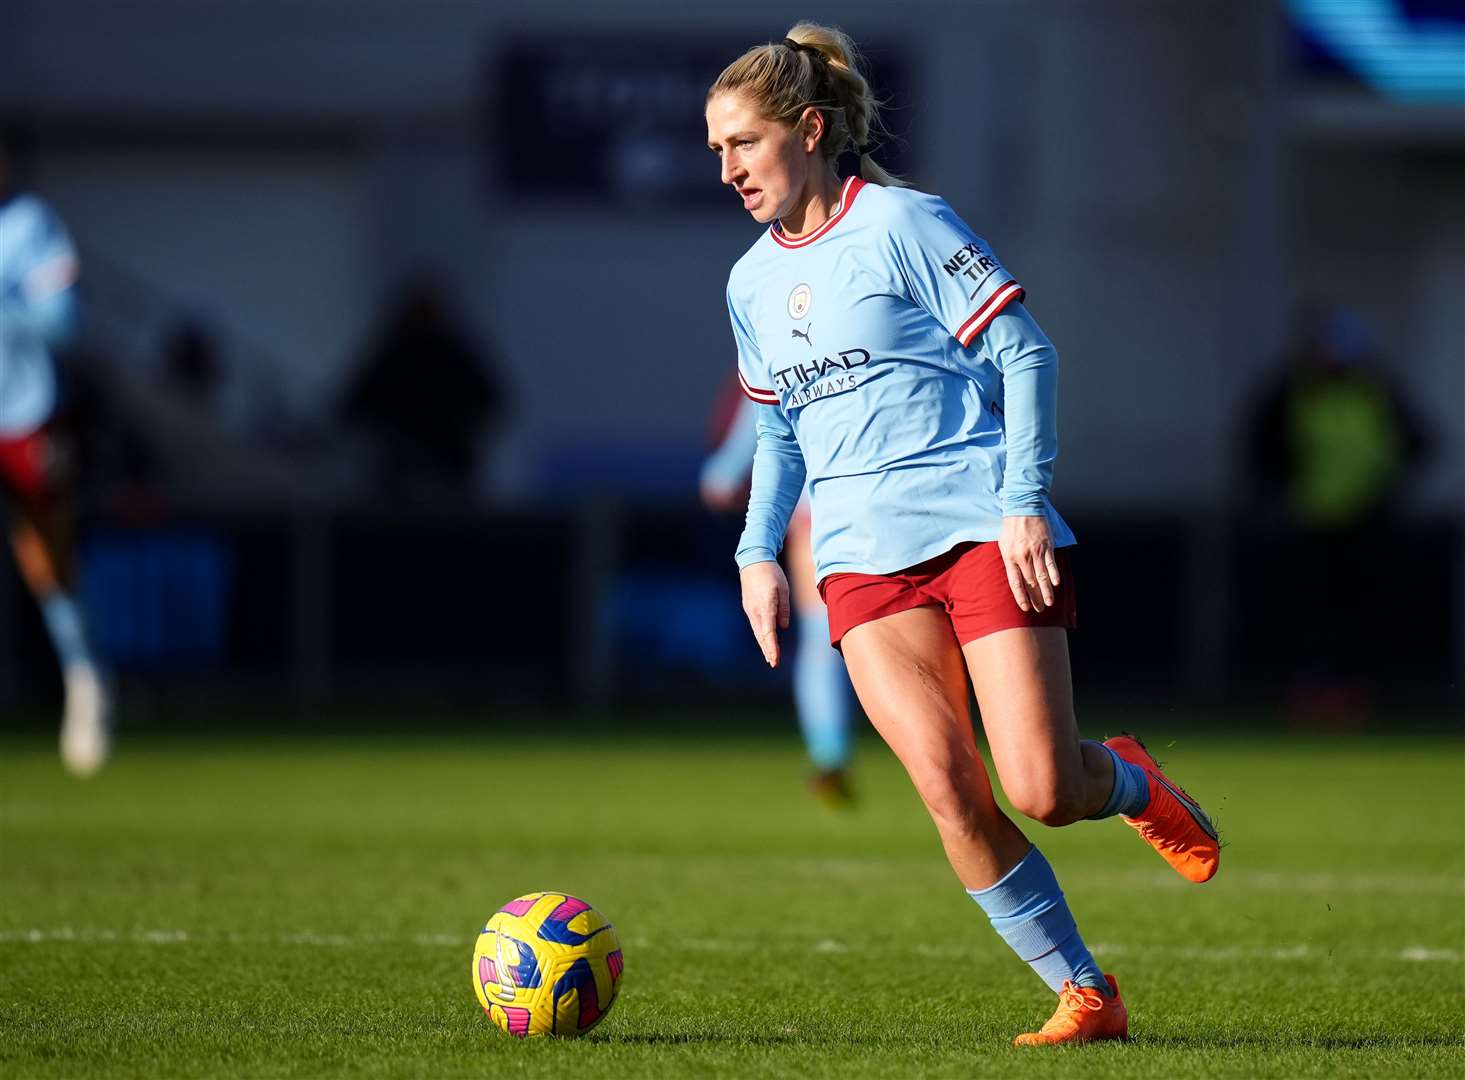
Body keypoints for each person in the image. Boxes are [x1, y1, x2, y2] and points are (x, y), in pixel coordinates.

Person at [706, 24, 1220, 1046]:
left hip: (979, 529)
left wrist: (1024, 501)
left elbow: (1026, 355)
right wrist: (757, 552)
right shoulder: (747, 281)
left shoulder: (903, 223)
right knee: (949, 788)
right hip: (857, 566)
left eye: (743, 144)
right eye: (716, 149)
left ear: (809, 130)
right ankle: (1086, 992)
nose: (726, 169)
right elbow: (776, 429)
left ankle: (1124, 777)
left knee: (1038, 789)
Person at [0, 142, 110, 775]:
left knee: (47, 552)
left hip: (24, 408)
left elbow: (64, 323)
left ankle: (84, 680)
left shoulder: (30, 226)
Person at [701, 378, 857, 804]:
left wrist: (725, 472)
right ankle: (834, 756)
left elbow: (761, 414)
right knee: (835, 636)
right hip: (854, 503)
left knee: (824, 637)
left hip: (824, 506)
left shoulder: (781, 332)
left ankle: (831, 754)